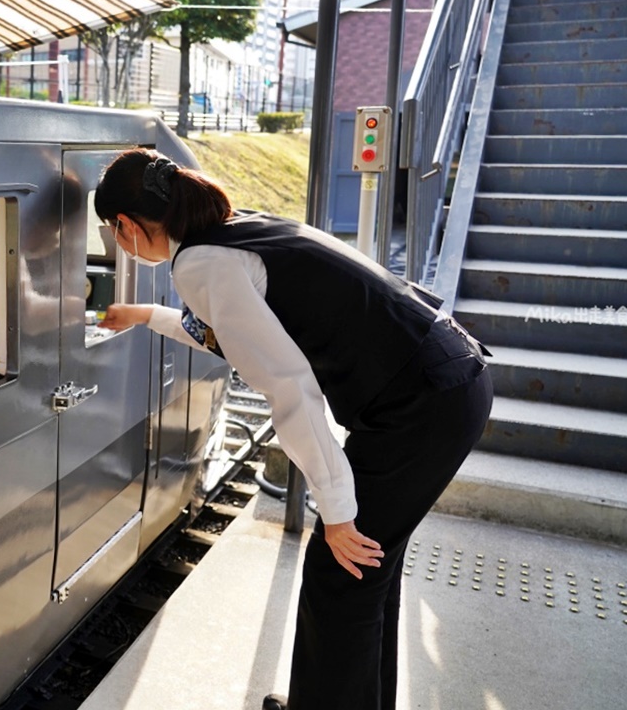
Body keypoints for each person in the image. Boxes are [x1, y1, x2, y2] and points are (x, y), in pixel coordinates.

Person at [93, 148, 493, 710]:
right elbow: (235, 334)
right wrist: (144, 316)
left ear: (127, 225)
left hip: (421, 404)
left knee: (341, 572)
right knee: (367, 569)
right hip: (444, 376)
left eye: (114, 233)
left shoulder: (199, 265)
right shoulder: (234, 229)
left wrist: (336, 509)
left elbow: (289, 387)